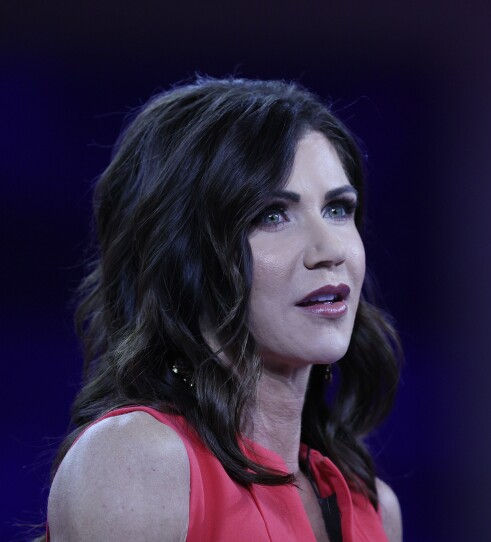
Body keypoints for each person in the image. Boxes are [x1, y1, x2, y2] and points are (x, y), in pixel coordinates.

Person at [44, 77, 403, 542]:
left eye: (338, 209)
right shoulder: (137, 464)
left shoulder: (374, 507)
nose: (329, 249)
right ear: (185, 254)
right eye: (272, 215)